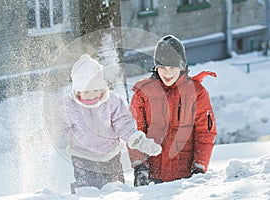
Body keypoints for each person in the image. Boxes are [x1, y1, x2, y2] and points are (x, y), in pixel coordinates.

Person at [63, 54, 162, 193]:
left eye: (95, 90)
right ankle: (81, 190)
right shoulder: (68, 105)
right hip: (82, 156)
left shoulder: (112, 102)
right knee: (86, 189)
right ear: (77, 90)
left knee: (114, 188)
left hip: (110, 155)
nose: (91, 95)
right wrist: (38, 139)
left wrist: (140, 142)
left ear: (102, 87)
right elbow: (58, 125)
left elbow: (124, 125)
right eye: (86, 92)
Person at [128, 35, 217, 186]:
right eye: (162, 67)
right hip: (152, 177)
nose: (167, 73)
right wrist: (140, 167)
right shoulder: (143, 92)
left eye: (172, 67)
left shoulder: (196, 92)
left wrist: (199, 167)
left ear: (182, 66)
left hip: (185, 178)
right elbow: (135, 132)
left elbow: (205, 133)